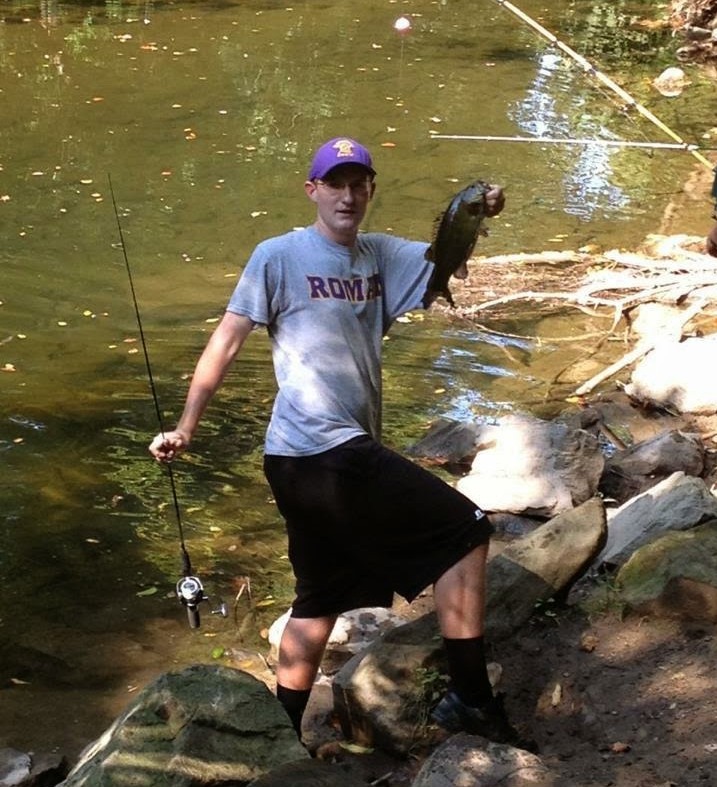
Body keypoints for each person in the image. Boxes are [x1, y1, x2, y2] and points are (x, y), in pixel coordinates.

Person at [149, 136, 529, 748]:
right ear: (313, 191)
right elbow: (226, 339)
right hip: (318, 449)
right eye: (335, 184)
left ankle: (277, 736)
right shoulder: (278, 256)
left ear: (370, 191)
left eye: (359, 185)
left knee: (319, 598)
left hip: (306, 462)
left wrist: (480, 210)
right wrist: (187, 426)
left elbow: (446, 258)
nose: (347, 196)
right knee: (466, 531)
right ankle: (470, 698)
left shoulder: (381, 256)